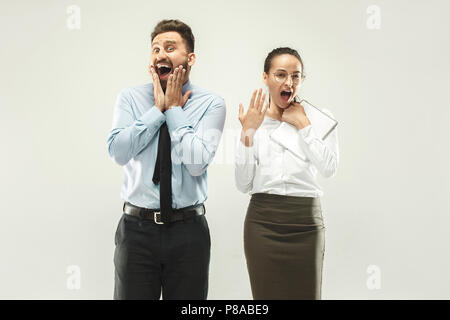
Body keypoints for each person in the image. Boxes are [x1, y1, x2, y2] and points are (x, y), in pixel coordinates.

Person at [107, 19, 226, 300]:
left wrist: (173, 110)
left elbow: (197, 162)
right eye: (156, 49)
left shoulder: (211, 104)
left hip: (188, 233)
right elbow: (118, 153)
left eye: (170, 48)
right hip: (136, 231)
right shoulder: (130, 99)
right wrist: (156, 111)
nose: (161, 54)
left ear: (190, 58)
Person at [235, 47, 339, 299]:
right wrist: (247, 133)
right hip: (263, 222)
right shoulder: (254, 121)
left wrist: (303, 126)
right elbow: (243, 184)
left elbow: (329, 168)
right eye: (280, 75)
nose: (289, 82)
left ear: (302, 80)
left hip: (306, 222)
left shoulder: (319, 118)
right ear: (266, 78)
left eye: (296, 76)